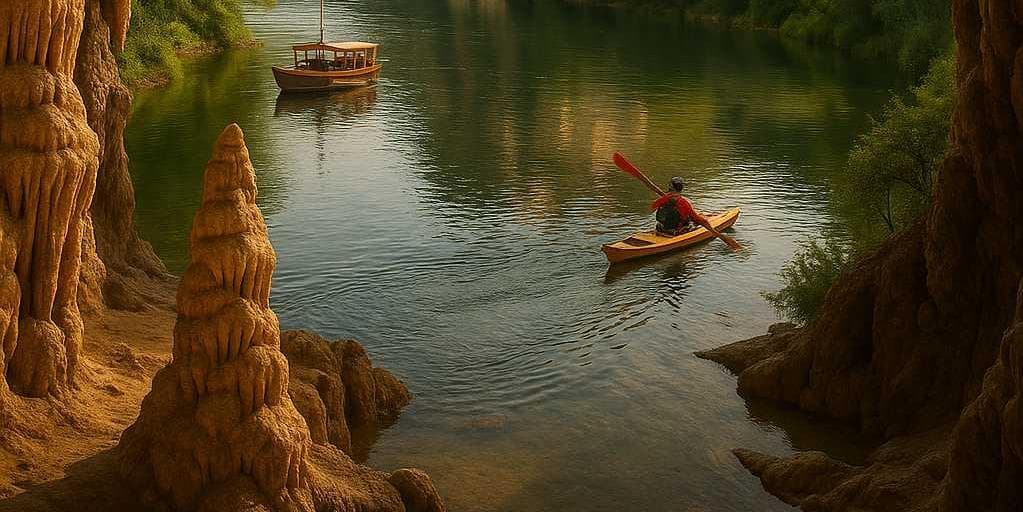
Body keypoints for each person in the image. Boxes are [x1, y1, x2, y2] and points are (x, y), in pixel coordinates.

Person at [651, 177, 728, 242]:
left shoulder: (663, 199)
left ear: (670, 187)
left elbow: (653, 206)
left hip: (661, 228)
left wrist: (666, 197)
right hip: (676, 231)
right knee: (693, 222)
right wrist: (708, 225)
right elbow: (698, 219)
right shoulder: (683, 202)